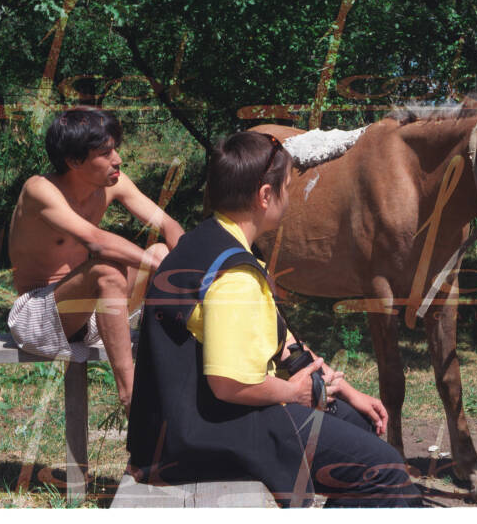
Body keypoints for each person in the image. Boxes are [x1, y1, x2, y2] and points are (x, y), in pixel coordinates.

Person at [127, 131, 423, 507]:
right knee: (386, 471)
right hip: (204, 433)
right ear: (265, 196)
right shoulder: (234, 277)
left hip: (181, 421)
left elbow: (283, 342)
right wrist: (293, 393)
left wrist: (342, 389)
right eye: (286, 187)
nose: (290, 196)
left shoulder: (208, 242)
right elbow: (229, 384)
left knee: (356, 420)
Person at [7, 107, 184, 411]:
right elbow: (96, 242)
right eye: (105, 153)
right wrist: (164, 269)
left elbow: (168, 225)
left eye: (115, 149)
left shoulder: (115, 181)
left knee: (163, 251)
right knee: (108, 270)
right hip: (38, 317)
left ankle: (179, 364)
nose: (117, 159)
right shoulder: (40, 190)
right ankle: (131, 397)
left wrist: (192, 266)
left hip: (91, 312)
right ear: (74, 161)